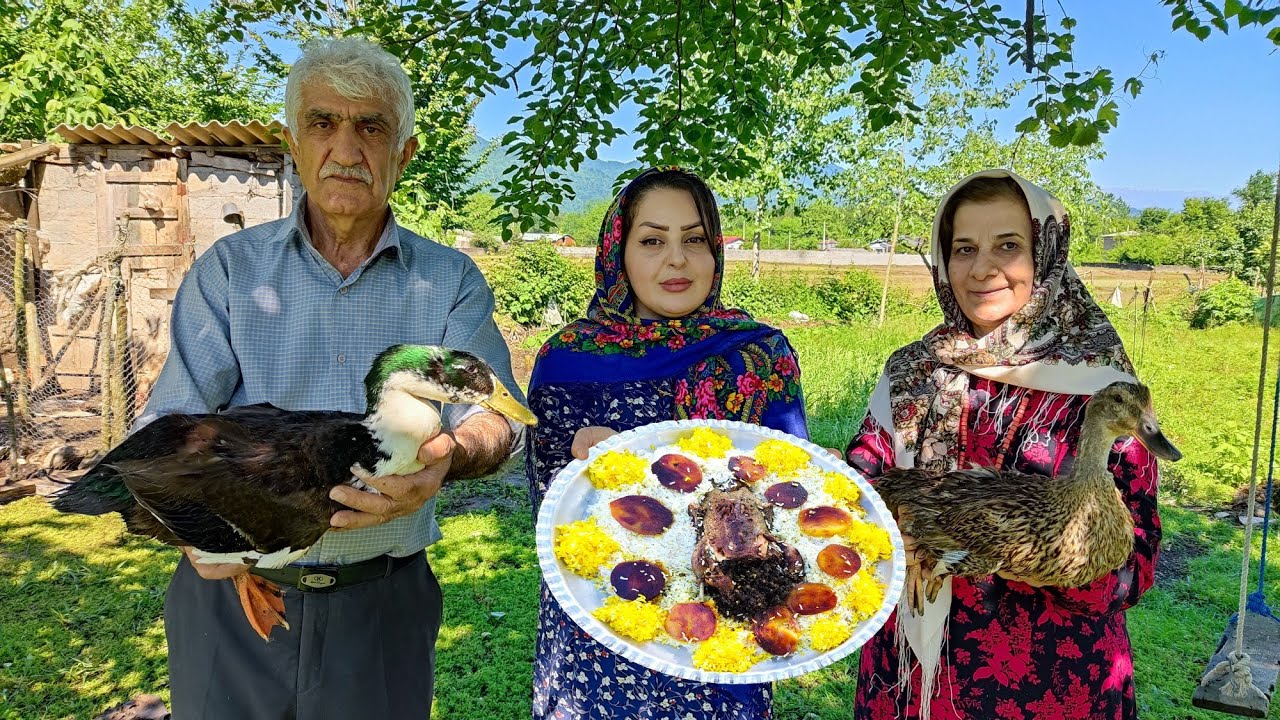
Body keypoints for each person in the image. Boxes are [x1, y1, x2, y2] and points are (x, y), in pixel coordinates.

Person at [140, 36, 521, 720]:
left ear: (402, 154)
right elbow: (166, 429)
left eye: (371, 127)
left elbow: (496, 420)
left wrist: (447, 458)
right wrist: (194, 526)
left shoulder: (449, 281)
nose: (346, 150)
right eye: (323, 123)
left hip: (381, 607)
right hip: (232, 602)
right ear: (293, 141)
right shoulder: (230, 273)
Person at [844, 169, 1160, 719]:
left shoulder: (1097, 388)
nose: (983, 267)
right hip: (913, 673)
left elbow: (1138, 561)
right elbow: (860, 483)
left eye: (1008, 246)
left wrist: (1018, 552)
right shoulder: (912, 372)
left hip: (1050, 681)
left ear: (1046, 253)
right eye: (964, 248)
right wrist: (883, 527)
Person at [525, 167, 807, 718]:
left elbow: (789, 492)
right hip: (604, 629)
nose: (676, 259)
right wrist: (583, 462)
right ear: (618, 253)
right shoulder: (570, 359)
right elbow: (550, 515)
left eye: (694, 239)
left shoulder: (757, 354)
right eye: (652, 240)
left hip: (727, 626)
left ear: (716, 249)